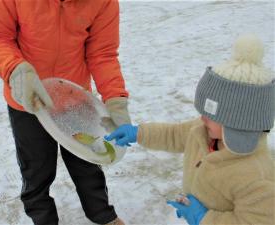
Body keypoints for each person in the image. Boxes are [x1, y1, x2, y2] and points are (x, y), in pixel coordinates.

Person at [0, 0, 130, 224]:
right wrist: (15, 68)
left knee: (88, 163)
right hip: (29, 98)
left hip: (74, 97)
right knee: (37, 168)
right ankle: (43, 219)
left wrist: (116, 100)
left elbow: (102, 53)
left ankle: (102, 215)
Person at [105, 34, 275, 225]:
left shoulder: (256, 177)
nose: (202, 118)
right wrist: (139, 133)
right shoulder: (203, 131)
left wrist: (204, 218)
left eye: (210, 115)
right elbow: (174, 135)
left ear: (239, 122)